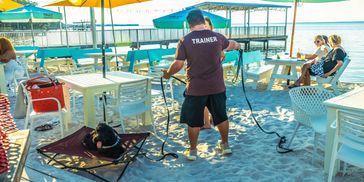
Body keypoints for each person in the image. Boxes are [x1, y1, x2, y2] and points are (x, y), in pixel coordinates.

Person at [162, 10, 241, 160]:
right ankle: (225, 145)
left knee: (193, 121)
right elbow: (231, 44)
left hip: (196, 88)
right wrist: (238, 45)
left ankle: (193, 151)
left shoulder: (185, 40)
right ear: (203, 22)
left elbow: (178, 64)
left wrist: (167, 74)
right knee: (221, 117)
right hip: (217, 86)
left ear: (189, 24)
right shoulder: (217, 36)